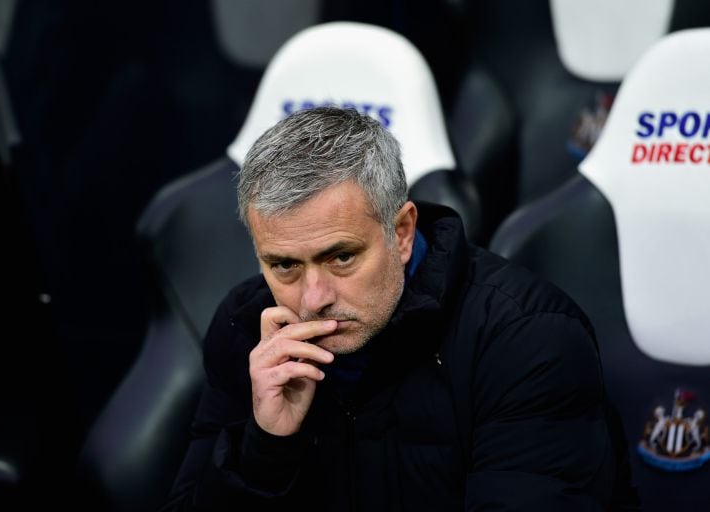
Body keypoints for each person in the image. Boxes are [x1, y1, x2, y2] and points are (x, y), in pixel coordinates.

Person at [160, 107, 638, 511]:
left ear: (403, 233)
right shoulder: (246, 326)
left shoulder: (527, 337)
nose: (312, 298)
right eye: (283, 265)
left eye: (341, 257)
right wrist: (264, 447)